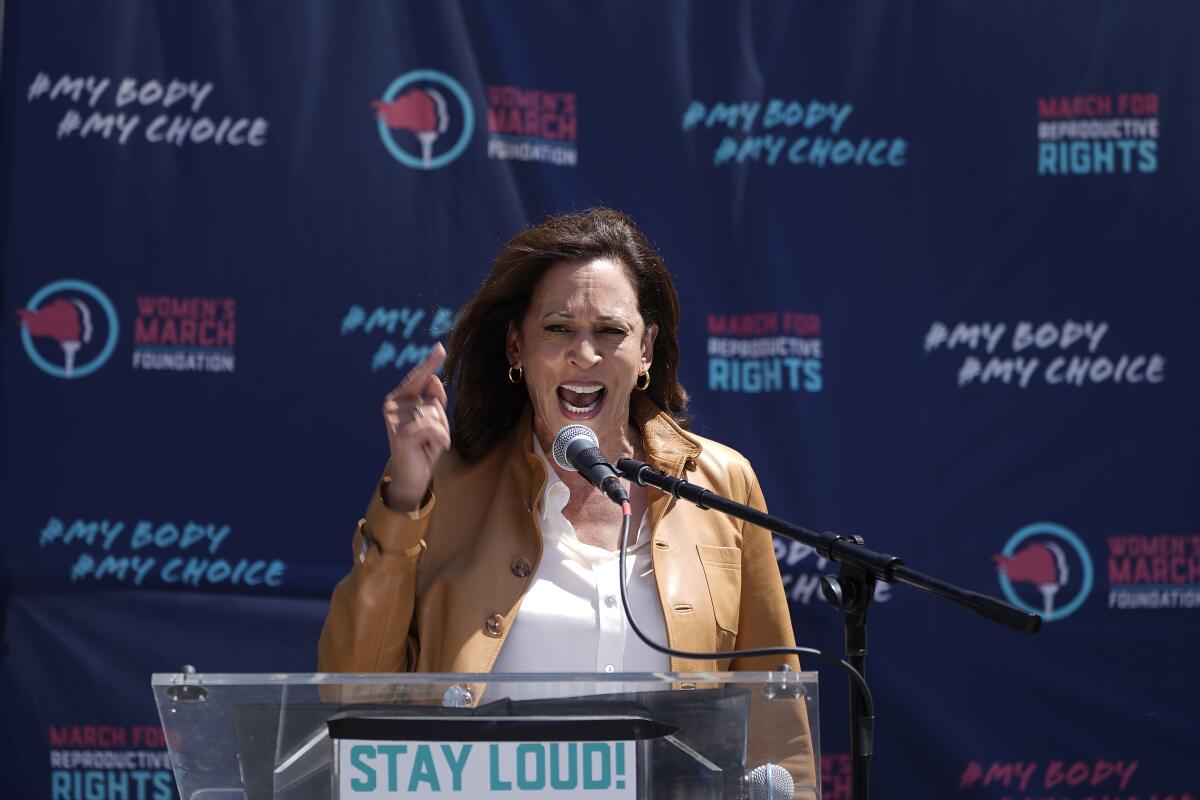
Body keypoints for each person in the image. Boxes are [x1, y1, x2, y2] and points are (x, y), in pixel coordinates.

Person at [318, 208, 814, 787]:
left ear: (648, 349)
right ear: (516, 347)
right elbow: (350, 692)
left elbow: (778, 733)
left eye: (611, 331)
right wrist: (405, 498)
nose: (584, 354)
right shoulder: (443, 484)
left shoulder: (720, 483)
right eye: (558, 328)